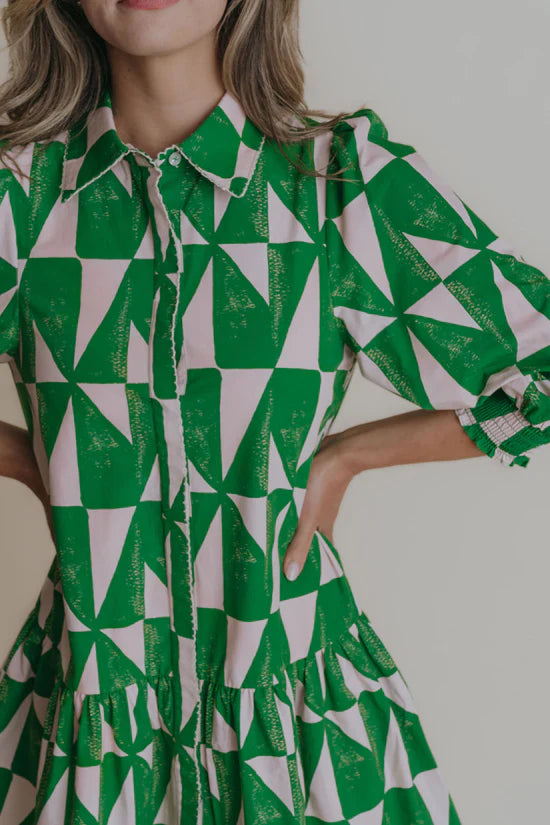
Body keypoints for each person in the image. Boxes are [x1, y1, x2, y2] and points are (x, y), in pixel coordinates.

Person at [0, 0, 548, 823]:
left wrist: (347, 457)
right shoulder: (22, 199)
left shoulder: (335, 186)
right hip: (94, 732)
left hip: (302, 737)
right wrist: (33, 462)